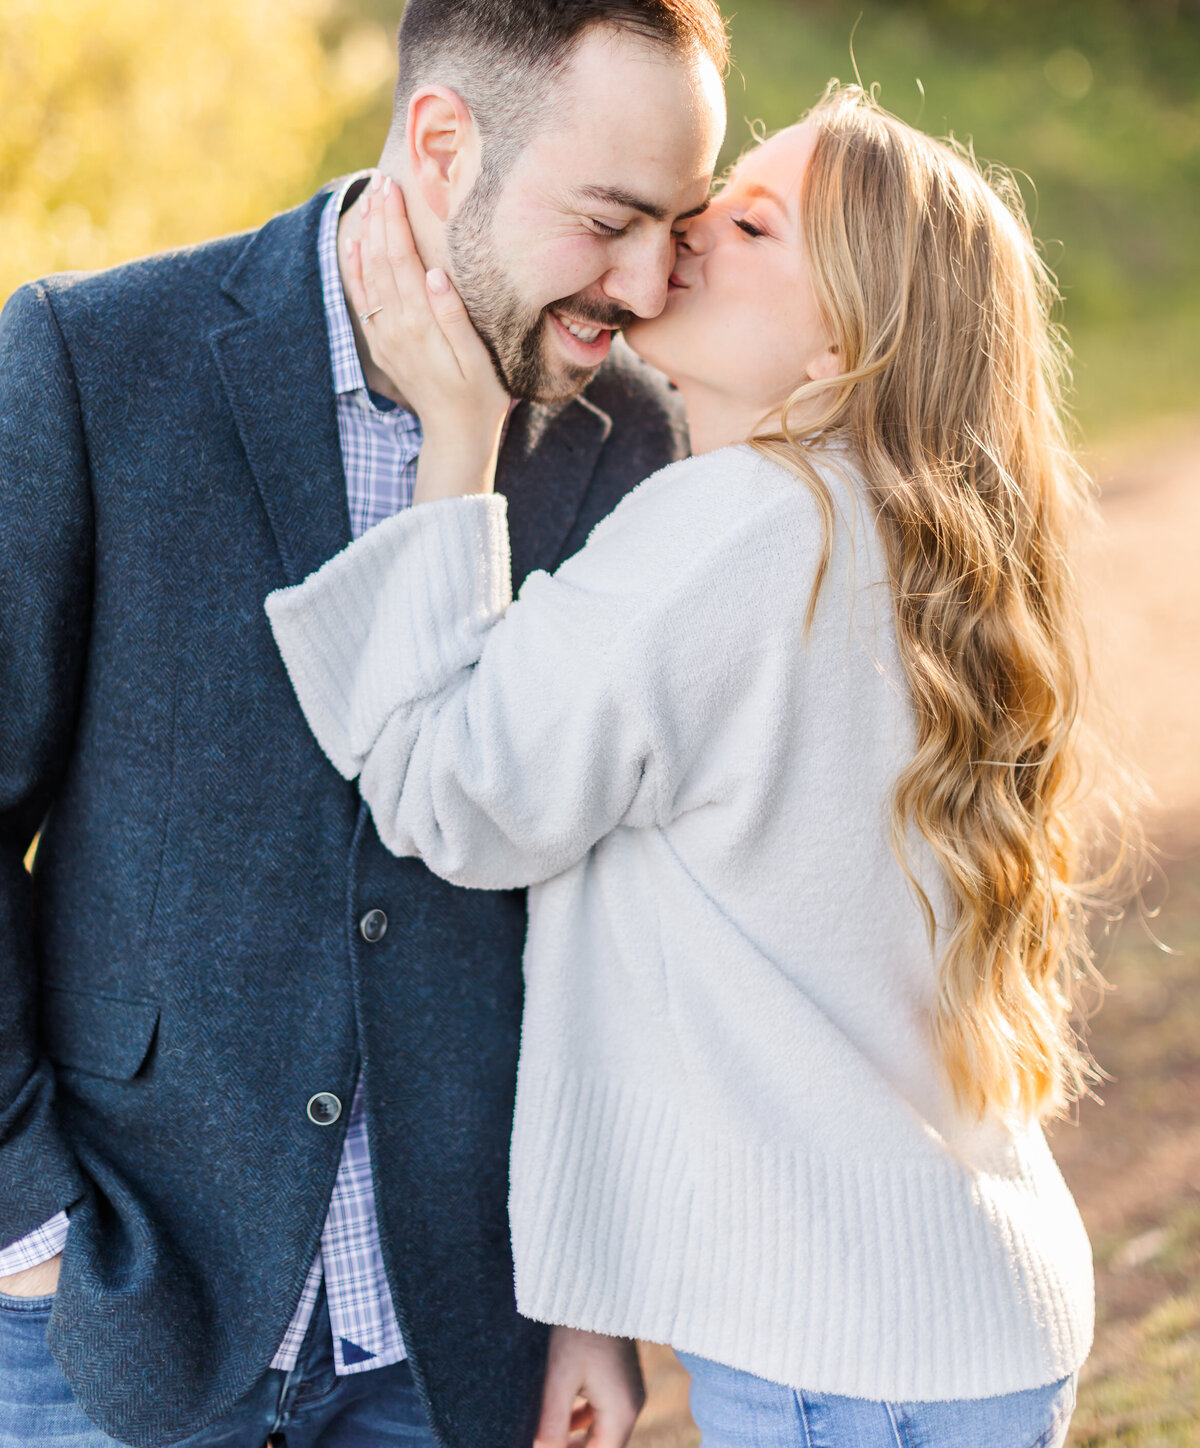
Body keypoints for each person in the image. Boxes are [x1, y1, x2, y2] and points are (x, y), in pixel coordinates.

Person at [267, 84, 1111, 1448]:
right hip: (967, 1316)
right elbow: (697, 971)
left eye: (755, 224)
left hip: (844, 1361)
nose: (692, 232)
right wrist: (591, 1312)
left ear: (852, 323)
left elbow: (454, 796)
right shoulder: (911, 542)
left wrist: (457, 437)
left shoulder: (734, 529)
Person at [0, 0, 727, 1448]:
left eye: (682, 221)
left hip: (456, 1337)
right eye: (608, 220)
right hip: (106, 1327)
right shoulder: (91, 363)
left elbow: (616, 898)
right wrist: (27, 1217)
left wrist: (589, 1293)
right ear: (444, 141)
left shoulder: (636, 440)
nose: (651, 284)